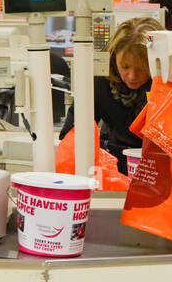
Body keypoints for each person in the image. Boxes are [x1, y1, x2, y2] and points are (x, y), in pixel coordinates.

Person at [59, 17, 164, 175]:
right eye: (125, 66)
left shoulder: (169, 83)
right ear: (114, 58)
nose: (132, 76)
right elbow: (70, 134)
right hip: (113, 168)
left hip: (159, 167)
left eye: (142, 68)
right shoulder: (100, 81)